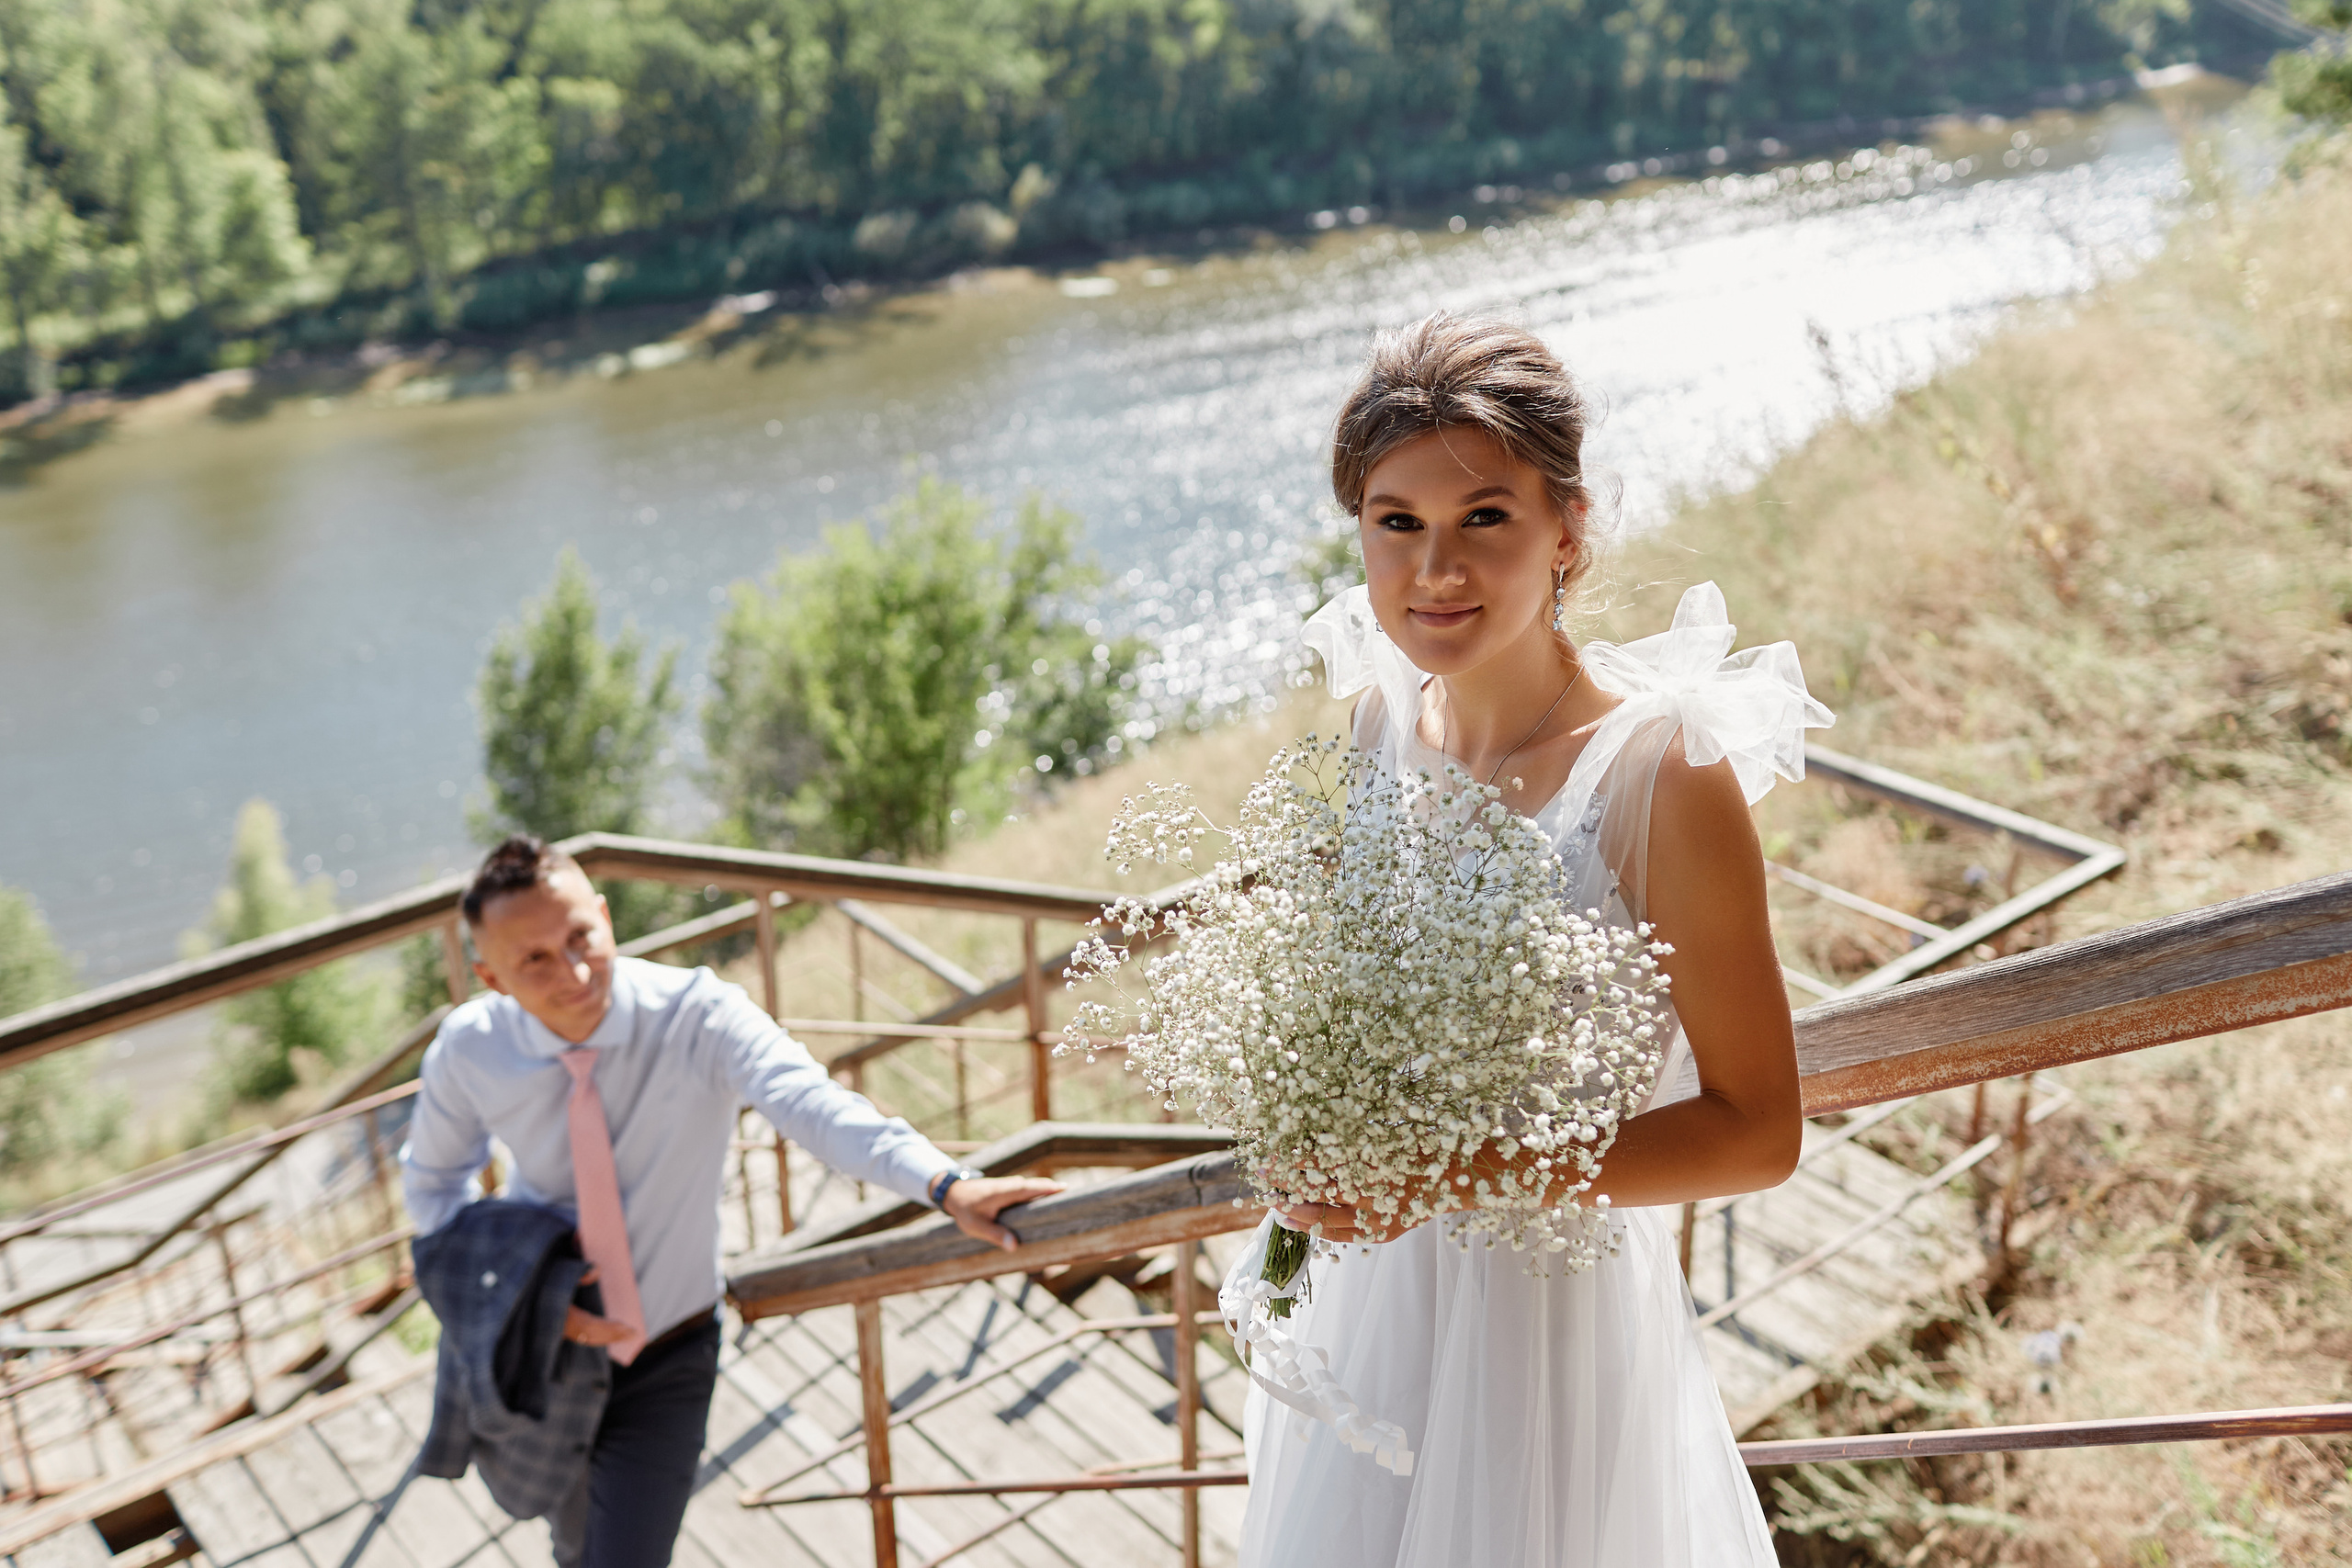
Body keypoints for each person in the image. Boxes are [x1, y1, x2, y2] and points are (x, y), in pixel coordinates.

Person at [1238, 311, 1832, 1565]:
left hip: (1544, 1330)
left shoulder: (1661, 774)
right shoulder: (1376, 728)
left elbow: (1758, 1131)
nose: (1434, 569)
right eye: (1396, 522)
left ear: (1568, 527)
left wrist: (1450, 1177)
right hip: (1370, 1300)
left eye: (1483, 518)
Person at [400, 836, 1061, 1568]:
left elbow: (811, 1102)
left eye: (581, 936)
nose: (575, 971)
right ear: (491, 977)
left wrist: (946, 1184)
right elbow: (432, 1193)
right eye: (536, 959)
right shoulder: (470, 1049)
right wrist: (528, 1298)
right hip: (544, 1345)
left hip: (669, 1350)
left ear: (606, 916)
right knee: (574, 1538)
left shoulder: (698, 1015)